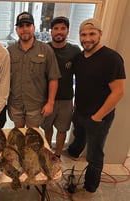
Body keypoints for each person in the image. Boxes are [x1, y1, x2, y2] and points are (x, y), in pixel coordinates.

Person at [66, 18, 126, 201]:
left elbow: (118, 92)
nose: (87, 38)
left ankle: (90, 189)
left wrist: (97, 117)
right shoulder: (79, 58)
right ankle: (73, 154)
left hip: (99, 117)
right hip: (80, 111)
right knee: (79, 137)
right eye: (83, 34)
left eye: (92, 34)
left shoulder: (112, 58)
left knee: (95, 154)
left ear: (100, 34)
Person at [7, 12, 61, 128]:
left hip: (36, 105)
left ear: (34, 28)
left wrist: (50, 103)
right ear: (16, 30)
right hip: (16, 103)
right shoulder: (9, 51)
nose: (25, 29)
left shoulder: (46, 50)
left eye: (28, 25)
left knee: (33, 136)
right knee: (19, 134)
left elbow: (53, 78)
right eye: (21, 26)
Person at [40, 16, 81, 158]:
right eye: (56, 28)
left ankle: (57, 155)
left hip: (66, 99)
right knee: (47, 127)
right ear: (51, 31)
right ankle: (47, 152)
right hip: (46, 99)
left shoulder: (75, 51)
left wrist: (77, 102)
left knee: (62, 129)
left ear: (68, 31)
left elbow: (81, 77)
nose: (59, 32)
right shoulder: (44, 49)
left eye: (63, 28)